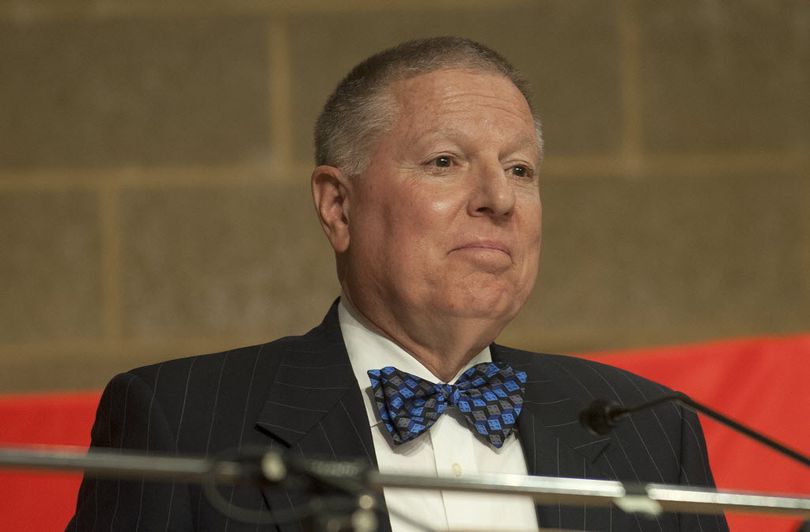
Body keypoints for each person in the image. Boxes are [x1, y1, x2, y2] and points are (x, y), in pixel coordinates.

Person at [68, 37, 728, 531]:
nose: (499, 198)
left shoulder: (652, 429)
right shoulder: (179, 420)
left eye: (521, 169)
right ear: (338, 207)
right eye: (445, 162)